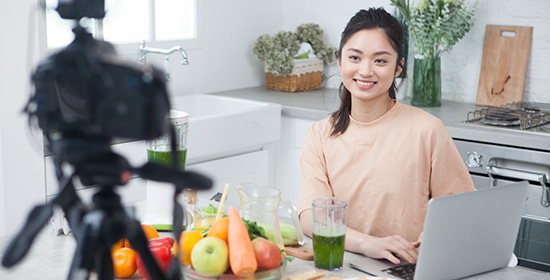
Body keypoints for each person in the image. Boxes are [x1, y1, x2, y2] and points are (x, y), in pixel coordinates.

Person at [297, 7, 475, 265]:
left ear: (398, 68)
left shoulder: (428, 130)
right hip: (344, 264)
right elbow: (312, 218)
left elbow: (462, 208)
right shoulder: (320, 134)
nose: (366, 71)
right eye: (355, 57)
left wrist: (440, 234)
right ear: (340, 62)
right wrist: (369, 244)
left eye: (380, 60)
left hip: (407, 266)